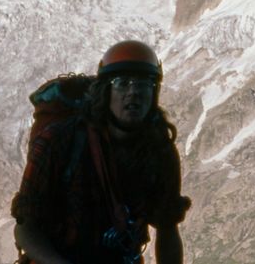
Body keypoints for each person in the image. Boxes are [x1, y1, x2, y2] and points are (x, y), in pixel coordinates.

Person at [12, 40, 191, 264]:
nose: (134, 92)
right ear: (105, 91)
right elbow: (25, 228)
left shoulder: (158, 151)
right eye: (122, 83)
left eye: (144, 84)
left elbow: (167, 228)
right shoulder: (60, 140)